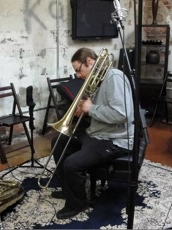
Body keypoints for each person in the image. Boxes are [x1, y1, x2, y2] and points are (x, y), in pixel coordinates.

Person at [50, 47, 134, 219]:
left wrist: (92, 109)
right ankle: (69, 190)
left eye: (78, 70)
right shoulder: (99, 79)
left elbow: (122, 114)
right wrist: (83, 109)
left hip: (115, 139)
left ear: (89, 61)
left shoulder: (114, 78)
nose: (78, 75)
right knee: (59, 142)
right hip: (98, 132)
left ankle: (77, 204)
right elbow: (99, 106)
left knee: (72, 164)